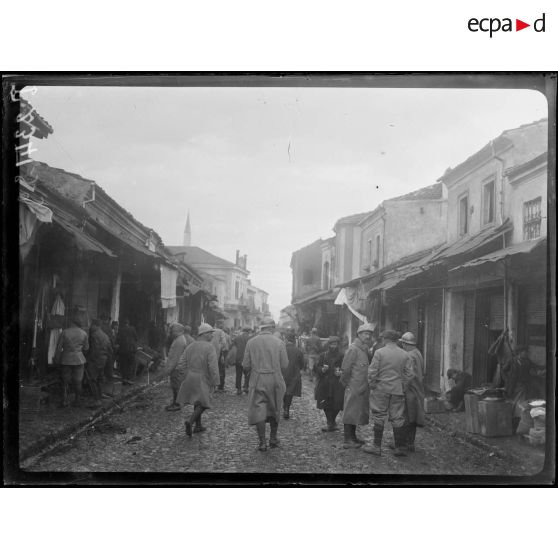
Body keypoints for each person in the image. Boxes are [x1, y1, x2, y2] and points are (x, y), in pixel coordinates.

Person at [364, 330, 415, 457]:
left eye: (383, 338)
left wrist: (372, 384)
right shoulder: (405, 354)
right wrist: (403, 387)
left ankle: (376, 447)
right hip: (397, 390)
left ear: (386, 339)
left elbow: (372, 372)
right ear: (396, 340)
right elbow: (410, 374)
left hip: (381, 389)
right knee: (397, 417)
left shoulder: (379, 353)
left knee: (379, 415)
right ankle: (399, 448)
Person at [242, 317, 289, 451]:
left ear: (261, 327)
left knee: (258, 410)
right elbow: (285, 364)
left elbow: (245, 365)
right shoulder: (279, 343)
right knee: (275, 408)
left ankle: (262, 442)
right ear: (272, 328)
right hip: (275, 378)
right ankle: (273, 438)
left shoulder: (251, 342)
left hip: (257, 378)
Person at [177, 323, 220, 436]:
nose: (212, 336)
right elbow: (213, 366)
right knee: (205, 403)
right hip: (203, 378)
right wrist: (216, 381)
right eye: (210, 333)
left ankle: (198, 426)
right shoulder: (210, 347)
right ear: (204, 334)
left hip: (190, 376)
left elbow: (181, 363)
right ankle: (190, 422)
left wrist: (184, 375)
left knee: (198, 401)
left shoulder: (190, 346)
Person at [340, 323, 373, 449]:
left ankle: (353, 437)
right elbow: (346, 368)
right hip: (353, 386)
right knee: (350, 412)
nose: (368, 336)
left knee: (356, 413)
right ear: (358, 335)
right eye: (365, 333)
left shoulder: (364, 349)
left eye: (369, 334)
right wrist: (347, 384)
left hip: (362, 386)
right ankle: (347, 440)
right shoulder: (353, 349)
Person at [399, 332, 426, 452]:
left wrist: (402, 388)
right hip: (418, 389)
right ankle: (410, 443)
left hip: (410, 389)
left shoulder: (409, 355)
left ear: (405, 344)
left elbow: (409, 375)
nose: (402, 346)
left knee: (405, 416)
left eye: (403, 344)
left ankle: (403, 444)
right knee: (413, 417)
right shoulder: (418, 352)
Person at [54, 316, 89, 407]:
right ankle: (77, 401)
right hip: (79, 359)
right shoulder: (84, 333)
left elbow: (58, 348)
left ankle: (64, 401)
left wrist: (56, 359)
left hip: (66, 359)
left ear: (72, 322)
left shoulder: (65, 332)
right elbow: (86, 348)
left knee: (65, 381)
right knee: (78, 381)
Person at [315, 336, 345, 431]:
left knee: (338, 403)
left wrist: (341, 373)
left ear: (338, 345)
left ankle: (332, 421)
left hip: (337, 383)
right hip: (325, 383)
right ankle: (330, 423)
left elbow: (346, 368)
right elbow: (316, 368)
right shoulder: (323, 355)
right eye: (332, 344)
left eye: (335, 344)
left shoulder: (342, 355)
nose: (333, 346)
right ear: (329, 345)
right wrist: (322, 369)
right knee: (326, 404)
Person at [164, 323, 192, 411]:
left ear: (177, 331)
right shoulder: (179, 339)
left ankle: (177, 404)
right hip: (177, 367)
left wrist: (169, 369)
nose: (171, 333)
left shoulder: (179, 341)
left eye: (172, 331)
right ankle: (175, 403)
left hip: (176, 368)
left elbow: (176, 357)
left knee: (176, 387)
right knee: (175, 386)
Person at [87, 319, 111, 407]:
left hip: (95, 360)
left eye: (91, 325)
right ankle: (100, 397)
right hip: (103, 359)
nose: (90, 327)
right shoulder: (105, 335)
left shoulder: (94, 335)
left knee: (92, 379)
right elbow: (109, 349)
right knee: (99, 379)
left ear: (96, 325)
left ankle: (97, 400)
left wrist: (89, 359)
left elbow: (94, 350)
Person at [282, 331, 304, 419]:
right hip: (294, 374)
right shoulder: (298, 350)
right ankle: (286, 408)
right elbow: (302, 364)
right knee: (290, 392)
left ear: (286, 339)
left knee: (283, 390)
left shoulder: (282, 348)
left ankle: (284, 407)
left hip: (283, 373)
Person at [116, 318, 138, 385]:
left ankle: (124, 379)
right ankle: (130, 380)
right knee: (131, 365)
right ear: (128, 323)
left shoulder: (120, 330)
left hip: (123, 351)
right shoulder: (132, 329)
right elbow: (136, 338)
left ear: (123, 323)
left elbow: (118, 340)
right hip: (131, 350)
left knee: (124, 365)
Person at [233, 326, 252, 395]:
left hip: (238, 358)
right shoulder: (251, 338)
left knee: (238, 374)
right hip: (247, 359)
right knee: (247, 374)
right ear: (249, 331)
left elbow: (234, 346)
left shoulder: (237, 338)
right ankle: (246, 387)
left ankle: (238, 389)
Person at [211, 320, 229, 391]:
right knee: (221, 370)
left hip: (209, 353)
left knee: (211, 369)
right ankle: (220, 387)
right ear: (221, 325)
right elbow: (224, 343)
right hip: (218, 354)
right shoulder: (221, 332)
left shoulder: (210, 330)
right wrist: (222, 353)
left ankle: (212, 387)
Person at [99, 314, 115, 394]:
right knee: (108, 369)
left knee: (101, 370)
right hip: (107, 350)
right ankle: (107, 389)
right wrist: (113, 348)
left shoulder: (99, 327)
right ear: (106, 320)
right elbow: (111, 339)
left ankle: (101, 389)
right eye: (108, 320)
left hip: (99, 351)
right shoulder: (107, 328)